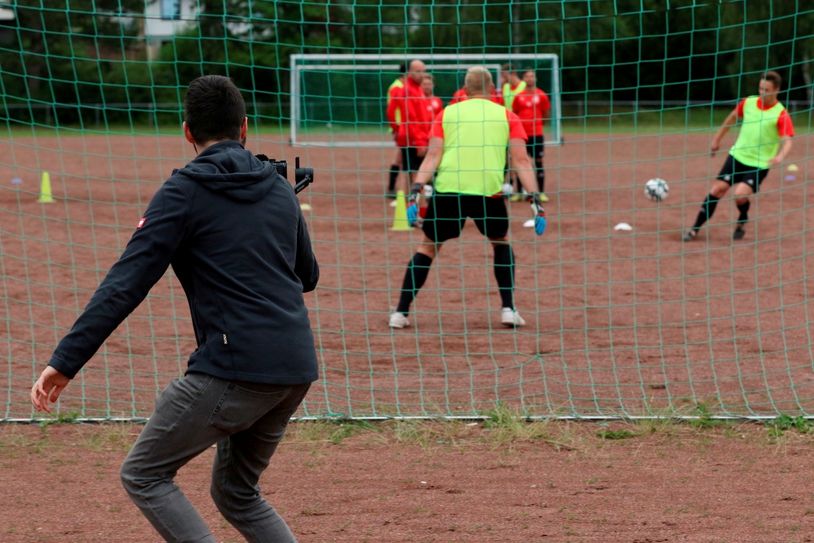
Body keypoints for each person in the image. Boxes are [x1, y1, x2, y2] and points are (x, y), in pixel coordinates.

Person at [30, 75, 320, 543]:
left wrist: (64, 363)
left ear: (187, 132)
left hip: (235, 366)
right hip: (295, 368)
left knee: (144, 474)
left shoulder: (183, 191)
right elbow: (307, 276)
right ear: (245, 127)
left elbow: (126, 283)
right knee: (236, 493)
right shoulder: (278, 187)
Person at [388, 66, 547, 330]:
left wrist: (416, 188)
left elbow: (432, 156)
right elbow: (521, 159)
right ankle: (508, 309)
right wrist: (534, 199)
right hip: (489, 191)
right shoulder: (506, 115)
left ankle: (400, 313)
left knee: (428, 246)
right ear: (492, 89)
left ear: (464, 89)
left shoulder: (446, 113)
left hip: (449, 190)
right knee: (500, 242)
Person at [683, 71, 794, 242]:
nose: (762, 93)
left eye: (767, 90)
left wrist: (780, 156)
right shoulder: (748, 103)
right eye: (760, 88)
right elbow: (731, 118)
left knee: (740, 195)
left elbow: (788, 141)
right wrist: (716, 139)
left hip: (759, 164)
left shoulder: (781, 113)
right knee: (717, 190)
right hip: (737, 156)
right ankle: (694, 229)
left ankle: (742, 218)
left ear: (777, 90)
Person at [386, 59, 433, 185]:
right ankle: (414, 201)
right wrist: (418, 141)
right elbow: (409, 117)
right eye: (418, 71)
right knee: (415, 173)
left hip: (411, 134)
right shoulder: (405, 89)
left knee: (410, 170)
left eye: (423, 71)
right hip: (411, 136)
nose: (422, 74)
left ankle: (411, 200)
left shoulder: (417, 89)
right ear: (408, 72)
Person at [512, 69, 551, 211]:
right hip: (522, 134)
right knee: (520, 161)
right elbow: (515, 112)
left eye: (532, 76)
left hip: (537, 133)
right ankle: (519, 192)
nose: (530, 78)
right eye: (527, 76)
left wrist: (539, 125)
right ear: (523, 79)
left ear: (535, 78)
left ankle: (540, 192)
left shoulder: (541, 95)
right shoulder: (519, 96)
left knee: (538, 162)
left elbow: (546, 113)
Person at [385, 62, 407, 199]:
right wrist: (396, 128)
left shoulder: (404, 86)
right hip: (400, 127)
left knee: (400, 157)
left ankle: (393, 187)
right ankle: (392, 188)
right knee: (400, 157)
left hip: (405, 127)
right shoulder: (396, 87)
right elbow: (392, 109)